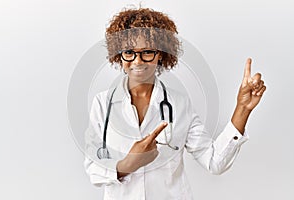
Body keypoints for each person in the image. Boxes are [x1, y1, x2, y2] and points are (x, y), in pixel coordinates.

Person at [84, 7, 266, 200]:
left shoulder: (179, 105)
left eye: (147, 52)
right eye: (129, 52)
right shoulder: (103, 103)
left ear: (161, 54)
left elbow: (214, 163)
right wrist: (129, 163)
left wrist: (242, 108)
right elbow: (93, 168)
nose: (137, 61)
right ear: (119, 55)